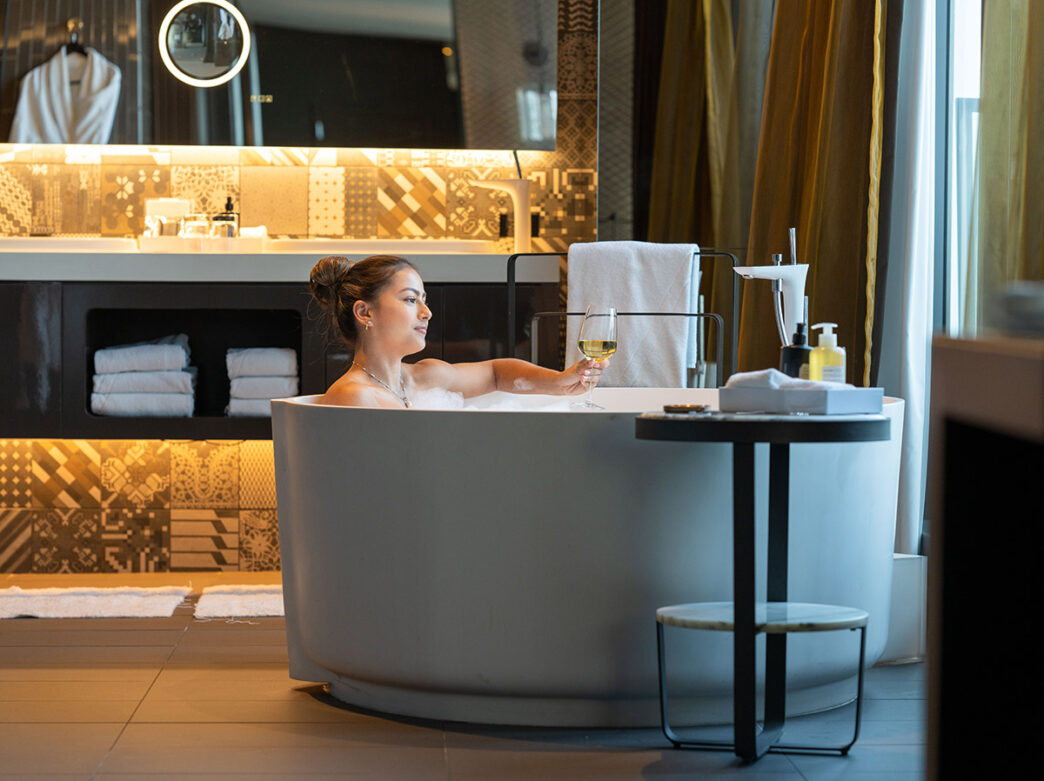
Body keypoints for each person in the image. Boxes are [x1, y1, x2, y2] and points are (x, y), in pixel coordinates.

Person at [309, 254, 607, 408]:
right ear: (365, 312)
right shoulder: (352, 397)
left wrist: (560, 383)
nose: (427, 312)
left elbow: (495, 374)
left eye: (424, 300)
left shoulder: (424, 377)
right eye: (410, 299)